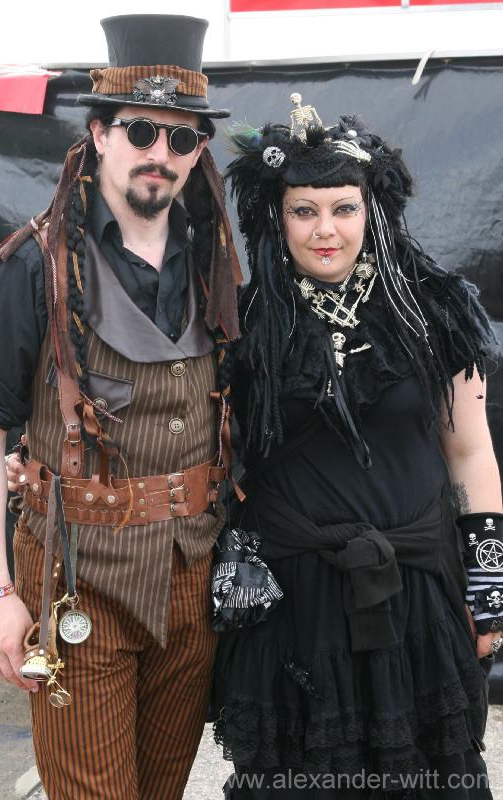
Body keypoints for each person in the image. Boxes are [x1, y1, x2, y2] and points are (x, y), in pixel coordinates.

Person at [0, 14, 241, 800]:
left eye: (181, 138)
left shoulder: (216, 262)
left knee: (160, 789)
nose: (160, 153)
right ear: (99, 133)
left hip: (190, 572)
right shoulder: (28, 267)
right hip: (76, 574)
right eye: (141, 130)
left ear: (199, 151)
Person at [211, 94, 502, 799]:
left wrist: (488, 581)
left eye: (344, 208)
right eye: (303, 211)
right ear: (276, 218)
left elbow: (469, 452)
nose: (325, 230)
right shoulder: (242, 326)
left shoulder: (433, 312)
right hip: (296, 602)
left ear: (373, 211)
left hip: (417, 591)